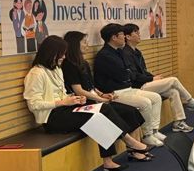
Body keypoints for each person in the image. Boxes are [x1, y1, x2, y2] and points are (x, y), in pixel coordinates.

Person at [23, 36, 155, 171]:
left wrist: (73, 99)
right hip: (52, 118)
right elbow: (34, 104)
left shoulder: (56, 69)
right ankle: (128, 142)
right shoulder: (36, 73)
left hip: (65, 109)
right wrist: (62, 102)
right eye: (61, 54)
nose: (64, 57)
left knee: (103, 110)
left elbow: (62, 94)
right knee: (97, 115)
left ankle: (109, 160)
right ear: (51, 53)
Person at [60, 31, 152, 162]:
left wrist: (102, 94)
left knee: (131, 111)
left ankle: (134, 149)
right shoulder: (68, 65)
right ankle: (130, 145)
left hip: (95, 99)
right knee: (105, 115)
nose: (87, 45)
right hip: (85, 102)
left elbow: (91, 87)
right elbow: (79, 90)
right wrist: (101, 99)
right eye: (84, 42)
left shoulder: (83, 63)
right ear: (75, 44)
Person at [122, 23, 194, 133]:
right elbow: (134, 76)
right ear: (128, 37)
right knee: (173, 80)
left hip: (145, 83)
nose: (139, 34)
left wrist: (153, 77)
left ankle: (178, 122)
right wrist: (152, 79)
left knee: (173, 92)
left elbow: (143, 71)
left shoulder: (137, 52)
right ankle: (191, 101)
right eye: (136, 32)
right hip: (138, 87)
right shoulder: (125, 53)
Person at [93, 23, 165, 147]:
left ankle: (154, 131)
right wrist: (127, 73)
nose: (124, 37)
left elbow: (128, 72)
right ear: (114, 37)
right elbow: (123, 74)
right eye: (121, 34)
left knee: (156, 98)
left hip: (127, 88)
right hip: (114, 93)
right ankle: (147, 135)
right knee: (145, 103)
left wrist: (127, 72)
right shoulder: (104, 55)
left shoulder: (119, 51)